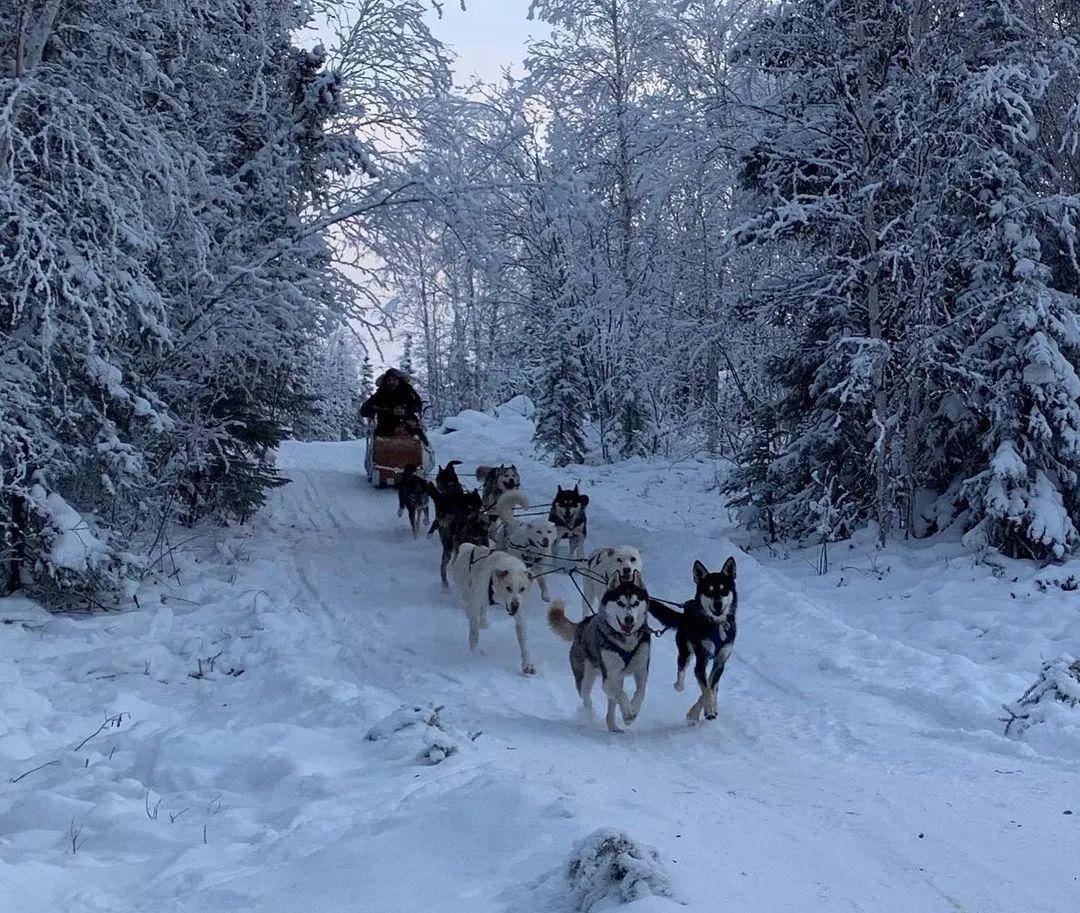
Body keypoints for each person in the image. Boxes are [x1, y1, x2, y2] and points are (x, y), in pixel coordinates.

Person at [360, 368, 423, 438]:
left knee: (419, 435)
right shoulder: (380, 394)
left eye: (394, 379)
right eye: (389, 380)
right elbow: (364, 410)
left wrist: (406, 410)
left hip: (408, 424)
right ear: (386, 382)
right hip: (385, 426)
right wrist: (376, 409)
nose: (391, 382)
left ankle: (425, 447)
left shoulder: (408, 392)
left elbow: (418, 405)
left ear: (399, 380)